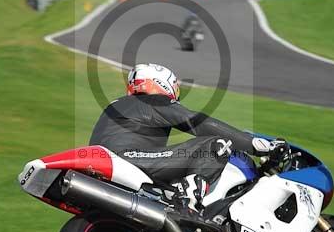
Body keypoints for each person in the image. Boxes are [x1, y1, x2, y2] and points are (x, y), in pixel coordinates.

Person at [89, 63, 284, 212]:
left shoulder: (122, 105)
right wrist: (253, 144)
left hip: (113, 163)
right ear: (161, 83)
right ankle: (189, 199)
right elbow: (197, 123)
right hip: (127, 158)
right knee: (216, 144)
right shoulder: (151, 100)